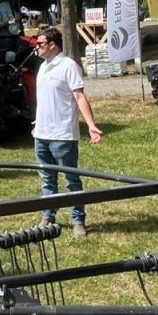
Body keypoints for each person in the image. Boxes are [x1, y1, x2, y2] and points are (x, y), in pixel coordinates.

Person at [32, 27, 102, 237]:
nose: (37, 47)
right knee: (47, 179)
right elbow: (46, 98)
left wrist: (91, 125)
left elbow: (79, 96)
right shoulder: (42, 67)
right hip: (41, 135)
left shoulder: (68, 66)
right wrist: (38, 120)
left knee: (72, 180)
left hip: (62, 135)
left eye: (40, 44)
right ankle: (48, 217)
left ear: (53, 44)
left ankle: (78, 221)